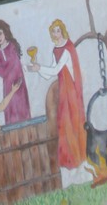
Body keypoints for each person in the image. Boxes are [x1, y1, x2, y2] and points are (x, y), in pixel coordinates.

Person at [28, 19, 85, 169]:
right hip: (63, 89)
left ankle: (77, 156)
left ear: (62, 31)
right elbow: (50, 74)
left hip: (70, 90)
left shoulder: (67, 48)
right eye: (53, 31)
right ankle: (69, 158)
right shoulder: (56, 49)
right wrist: (37, 69)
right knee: (63, 122)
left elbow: (55, 70)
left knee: (71, 120)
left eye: (58, 30)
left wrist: (40, 68)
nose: (56, 34)